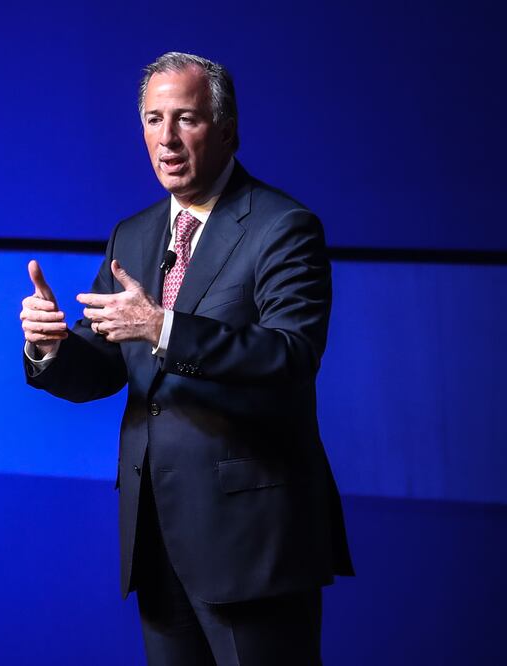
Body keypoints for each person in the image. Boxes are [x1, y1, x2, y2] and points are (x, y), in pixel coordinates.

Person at [20, 52, 353, 665]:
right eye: (153, 119)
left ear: (227, 129)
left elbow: (290, 355)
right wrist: (50, 346)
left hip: (252, 541)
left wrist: (163, 327)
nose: (166, 139)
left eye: (187, 119)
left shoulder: (283, 227)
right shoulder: (134, 234)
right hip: (155, 535)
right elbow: (105, 367)